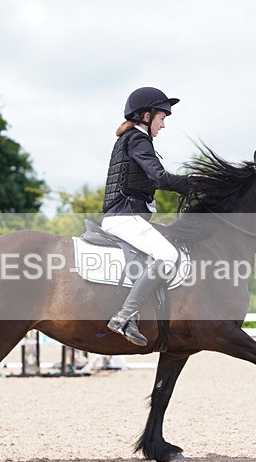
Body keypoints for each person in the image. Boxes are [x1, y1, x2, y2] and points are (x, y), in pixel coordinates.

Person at [101, 87, 190, 346]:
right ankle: (125, 316)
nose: (163, 125)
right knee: (169, 255)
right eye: (162, 119)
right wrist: (193, 183)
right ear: (146, 116)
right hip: (124, 217)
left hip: (125, 215)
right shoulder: (138, 139)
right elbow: (160, 177)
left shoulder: (131, 138)